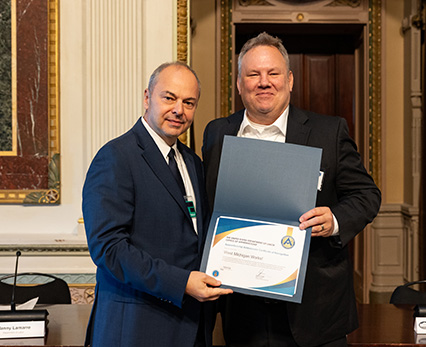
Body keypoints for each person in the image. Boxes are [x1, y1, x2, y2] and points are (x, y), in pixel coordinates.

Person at [202, 32, 381, 347]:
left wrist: (334, 219)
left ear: (290, 80)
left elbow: (367, 196)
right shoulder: (217, 133)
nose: (264, 82)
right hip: (242, 309)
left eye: (273, 73)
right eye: (253, 74)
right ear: (239, 83)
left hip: (316, 311)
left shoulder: (329, 131)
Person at [82, 61, 232, 347]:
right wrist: (182, 283)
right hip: (137, 330)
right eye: (169, 97)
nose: (179, 110)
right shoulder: (116, 157)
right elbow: (109, 249)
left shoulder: (194, 163)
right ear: (147, 97)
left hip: (193, 328)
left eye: (189, 102)